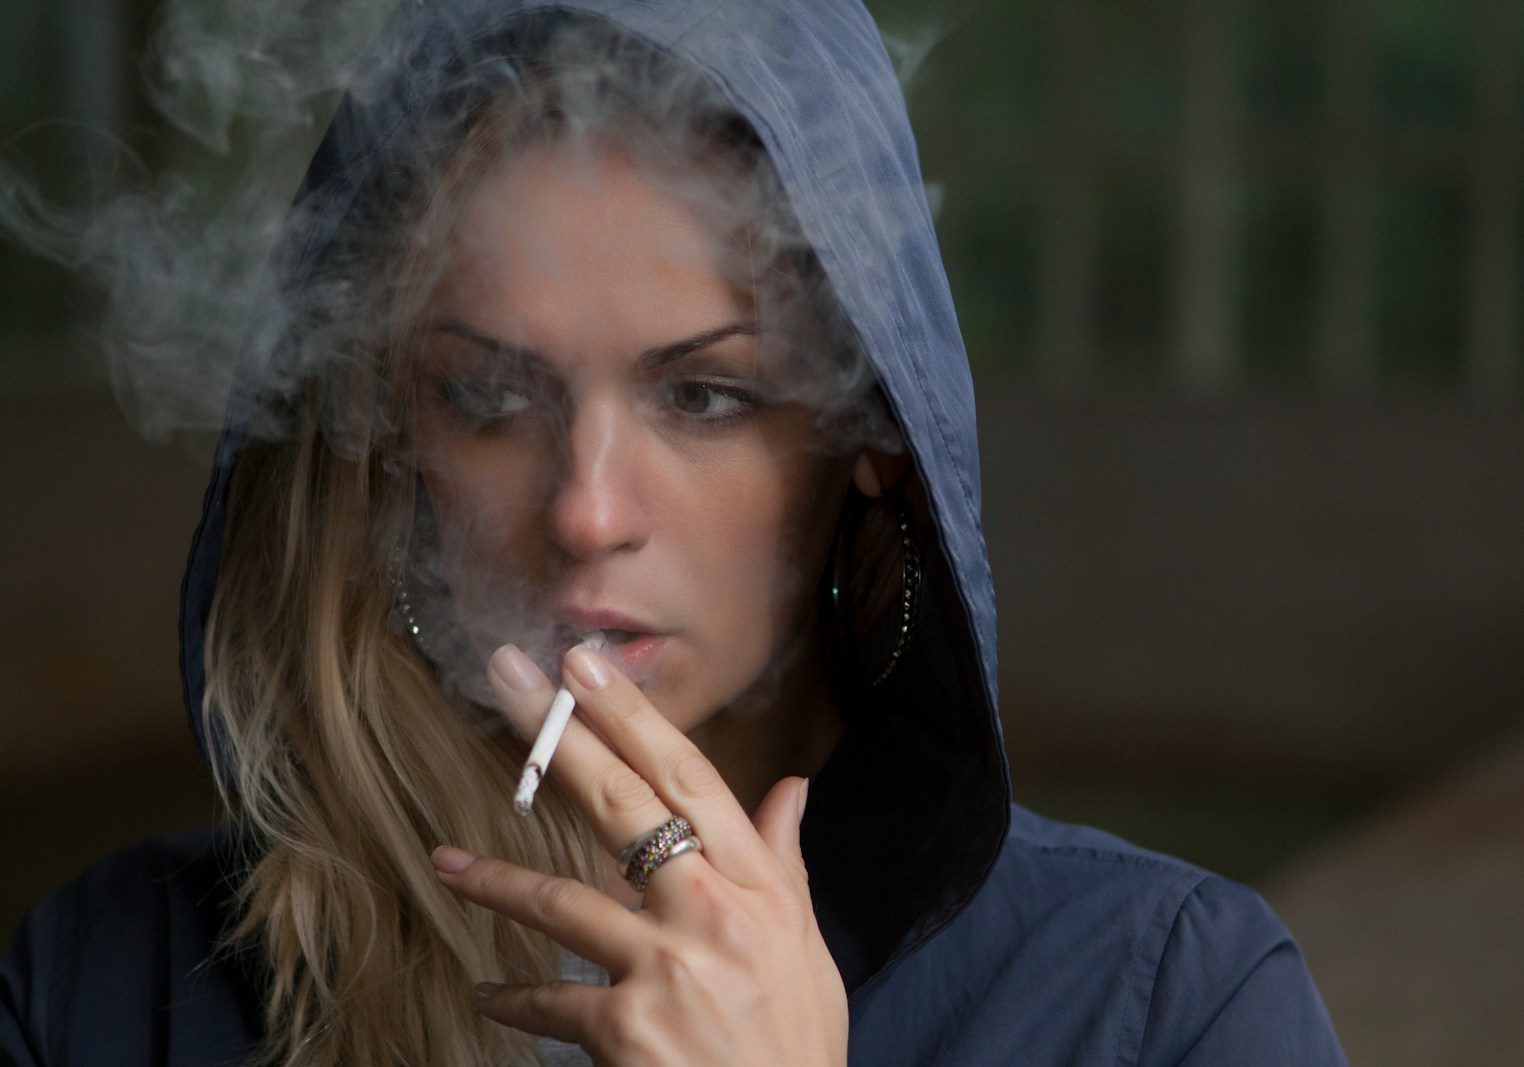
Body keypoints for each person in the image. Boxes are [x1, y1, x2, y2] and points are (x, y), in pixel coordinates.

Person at [0, 1, 1347, 1065]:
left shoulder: (1172, 1006)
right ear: (390, 441)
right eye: (486, 397)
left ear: (867, 439)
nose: (586, 512)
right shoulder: (104, 991)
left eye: (704, 396)